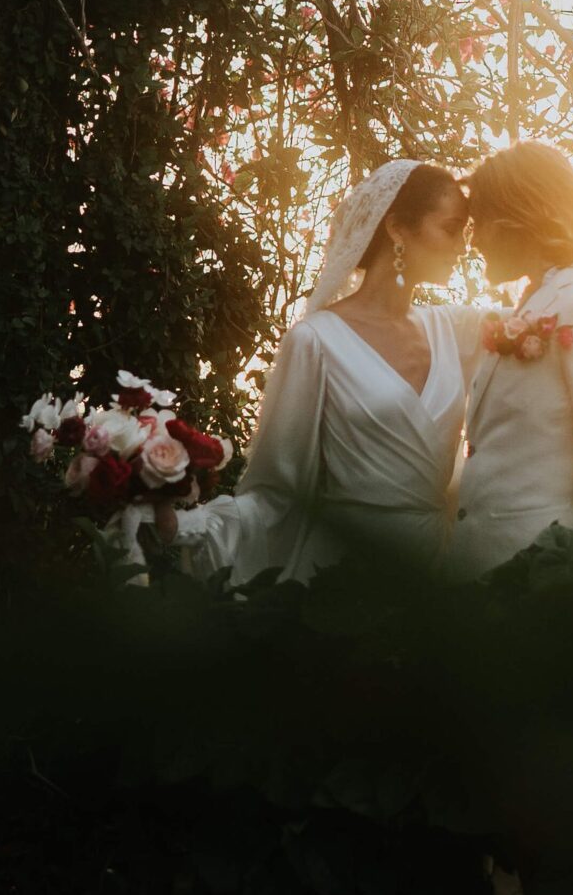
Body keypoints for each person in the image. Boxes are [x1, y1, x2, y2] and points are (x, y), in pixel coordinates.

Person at [137, 160, 472, 585]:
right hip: (346, 575)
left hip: (438, 571)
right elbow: (278, 491)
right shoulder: (316, 341)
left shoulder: (453, 330)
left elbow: (541, 321)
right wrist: (184, 526)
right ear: (397, 228)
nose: (463, 246)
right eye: (452, 228)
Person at [446, 143, 573, 579]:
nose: (473, 240)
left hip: (540, 589)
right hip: (481, 583)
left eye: (479, 221)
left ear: (518, 215)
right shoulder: (532, 306)